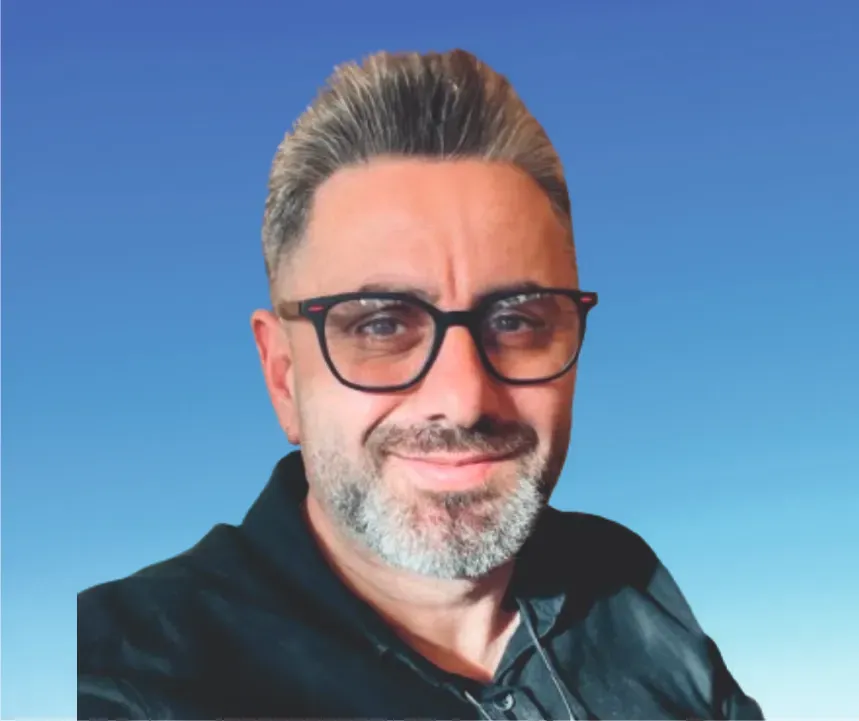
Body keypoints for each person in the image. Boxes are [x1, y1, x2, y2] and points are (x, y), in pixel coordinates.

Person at [77, 49, 764, 720]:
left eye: (516, 320)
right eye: (381, 325)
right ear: (283, 375)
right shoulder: (125, 673)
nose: (463, 400)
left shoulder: (619, 579)